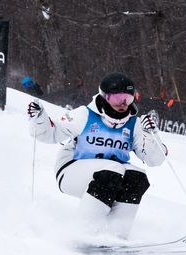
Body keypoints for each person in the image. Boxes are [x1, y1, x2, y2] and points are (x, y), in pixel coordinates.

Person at [27, 72, 167, 238]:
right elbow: (51, 133)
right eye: (117, 99)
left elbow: (154, 160)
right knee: (111, 171)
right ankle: (83, 231)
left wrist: (151, 135)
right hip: (71, 169)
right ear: (105, 97)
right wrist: (40, 119)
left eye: (127, 99)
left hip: (111, 175)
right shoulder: (85, 115)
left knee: (137, 177)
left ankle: (116, 234)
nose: (123, 104)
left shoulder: (133, 124)